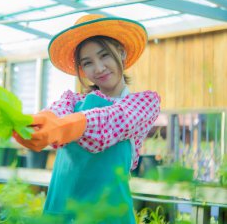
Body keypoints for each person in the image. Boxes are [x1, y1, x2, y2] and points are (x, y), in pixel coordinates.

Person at [13, 14, 161, 223]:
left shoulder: (143, 104)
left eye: (105, 56)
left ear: (121, 54)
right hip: (61, 213)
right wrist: (39, 123)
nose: (99, 68)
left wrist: (65, 127)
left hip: (107, 216)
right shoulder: (71, 101)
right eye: (88, 62)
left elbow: (111, 120)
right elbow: (55, 112)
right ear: (81, 69)